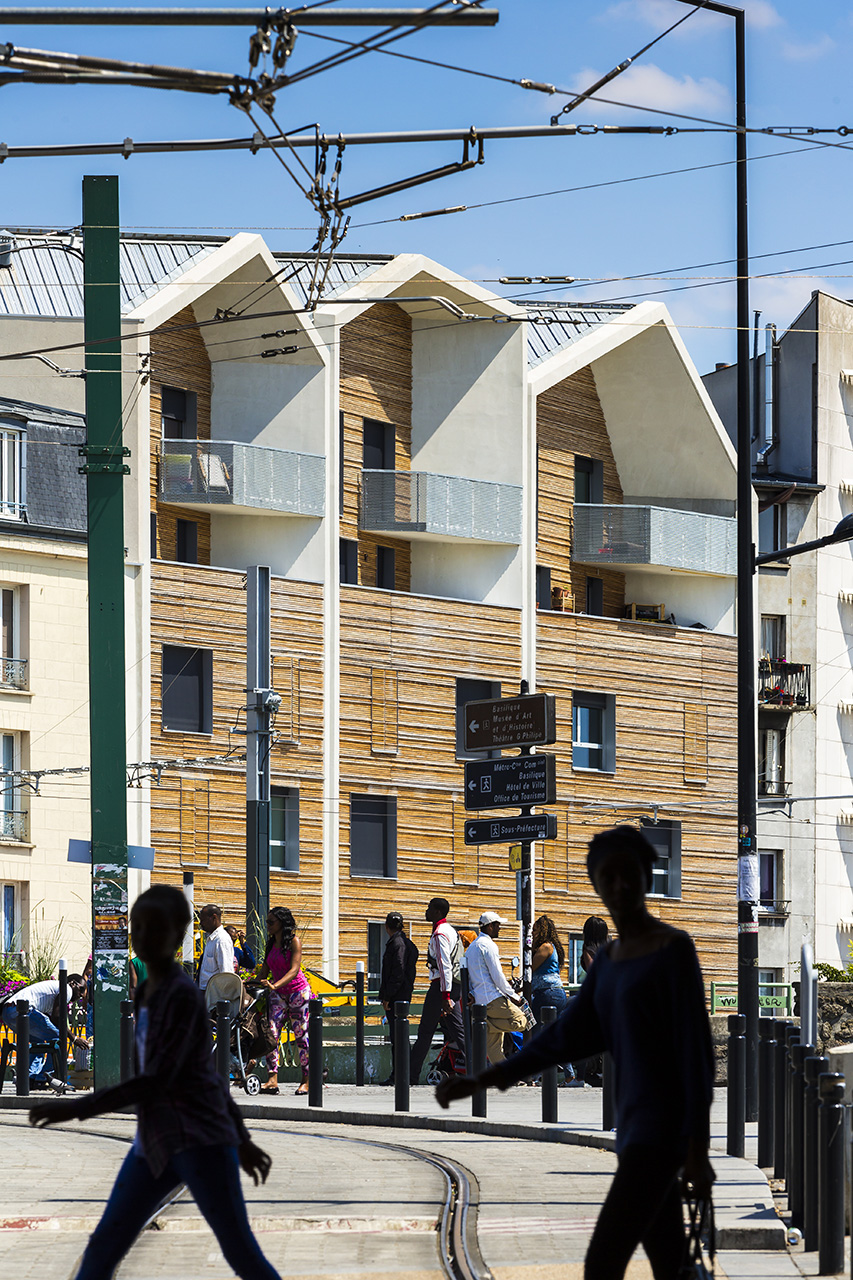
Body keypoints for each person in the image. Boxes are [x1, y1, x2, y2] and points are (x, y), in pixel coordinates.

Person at [437, 825, 715, 1280]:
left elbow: (696, 1055)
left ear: (646, 875)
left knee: (602, 1263)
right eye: (606, 878)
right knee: (670, 1262)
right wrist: (484, 1078)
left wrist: (698, 1150)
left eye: (627, 874)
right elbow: (562, 1039)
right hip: (632, 1133)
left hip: (661, 1137)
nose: (617, 886)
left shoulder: (672, 950)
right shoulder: (608, 964)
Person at [28, 884, 281, 1280]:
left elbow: (159, 1081)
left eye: (155, 928)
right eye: (138, 927)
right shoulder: (147, 992)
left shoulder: (181, 998)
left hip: (201, 1143)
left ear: (177, 935)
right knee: (104, 1246)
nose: (144, 937)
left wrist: (78, 1107)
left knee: (241, 1252)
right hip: (155, 1143)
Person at [255, 907, 312, 1096]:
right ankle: (272, 1079)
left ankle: (307, 1080)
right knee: (271, 1035)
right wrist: (248, 985)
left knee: (301, 1035)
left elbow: (294, 970)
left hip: (297, 992)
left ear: (282, 923)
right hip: (278, 994)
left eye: (271, 922)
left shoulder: (294, 941)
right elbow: (264, 971)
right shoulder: (271, 944)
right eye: (267, 922)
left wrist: (274, 984)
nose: (268, 925)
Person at [409, 897, 465, 1084]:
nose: (426, 911)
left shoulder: (440, 934)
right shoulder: (451, 930)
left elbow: (444, 965)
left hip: (441, 988)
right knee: (459, 1032)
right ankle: (480, 1070)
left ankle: (410, 1076)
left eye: (429, 908)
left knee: (425, 1032)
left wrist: (445, 995)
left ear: (438, 912)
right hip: (453, 986)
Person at [462, 911, 527, 1064]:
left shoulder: (471, 948)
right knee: (521, 1021)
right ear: (490, 926)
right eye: (497, 925)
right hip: (493, 997)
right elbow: (497, 975)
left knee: (494, 1048)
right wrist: (514, 996)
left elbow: (471, 976)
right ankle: (486, 1025)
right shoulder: (488, 945)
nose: (499, 928)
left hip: (479, 1001)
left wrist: (471, 993)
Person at [0, 974, 88, 1086]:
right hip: (23, 1010)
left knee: (38, 1042)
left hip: (8, 1013)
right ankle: (43, 1078)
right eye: (81, 990)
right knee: (58, 1038)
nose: (81, 995)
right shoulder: (66, 988)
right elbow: (57, 1018)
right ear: (73, 983)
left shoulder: (54, 990)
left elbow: (51, 1019)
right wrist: (74, 1038)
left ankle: (30, 1078)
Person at [531, 914, 575, 1083]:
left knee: (535, 1033)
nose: (532, 933)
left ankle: (534, 1075)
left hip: (547, 993)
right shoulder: (551, 947)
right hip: (555, 993)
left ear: (542, 931)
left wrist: (529, 948)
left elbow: (530, 967)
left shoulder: (545, 947)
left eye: (535, 930)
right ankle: (568, 1072)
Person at [378, 911, 419, 1086]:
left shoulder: (397, 944)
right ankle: (402, 1075)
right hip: (403, 996)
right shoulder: (407, 943)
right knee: (400, 1037)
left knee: (398, 1038)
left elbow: (397, 972)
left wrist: (387, 996)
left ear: (387, 927)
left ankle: (399, 1076)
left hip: (396, 998)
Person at [198, 904, 235, 992]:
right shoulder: (211, 939)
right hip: (207, 991)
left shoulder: (221, 940)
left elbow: (226, 973)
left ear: (214, 918)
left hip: (216, 994)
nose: (200, 923)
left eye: (203, 920)